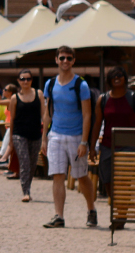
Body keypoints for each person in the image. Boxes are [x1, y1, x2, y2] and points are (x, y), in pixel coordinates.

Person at [41, 45, 97, 228]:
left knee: (81, 175)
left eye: (69, 58)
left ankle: (91, 209)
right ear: (56, 60)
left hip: (76, 136)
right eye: (62, 58)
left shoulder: (81, 84)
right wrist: (44, 138)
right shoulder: (50, 84)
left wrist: (84, 141)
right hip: (56, 134)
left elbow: (87, 114)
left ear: (74, 61)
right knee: (57, 175)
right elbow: (48, 113)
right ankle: (59, 216)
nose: (65, 61)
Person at [93, 68, 135, 204]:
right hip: (106, 145)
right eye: (113, 76)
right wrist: (92, 147)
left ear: (125, 78)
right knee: (107, 180)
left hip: (128, 145)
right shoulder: (103, 99)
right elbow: (97, 124)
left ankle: (122, 212)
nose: (116, 78)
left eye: (119, 75)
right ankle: (117, 205)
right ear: (109, 80)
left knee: (124, 180)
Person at [10, 71, 42, 202]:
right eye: (23, 79)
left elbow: (44, 114)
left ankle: (28, 186)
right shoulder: (14, 98)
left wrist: (44, 133)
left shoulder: (38, 94)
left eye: (28, 79)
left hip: (35, 133)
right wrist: (10, 139)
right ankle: (26, 191)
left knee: (33, 164)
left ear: (31, 80)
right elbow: (12, 119)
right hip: (19, 134)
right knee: (25, 163)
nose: (25, 81)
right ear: (18, 80)